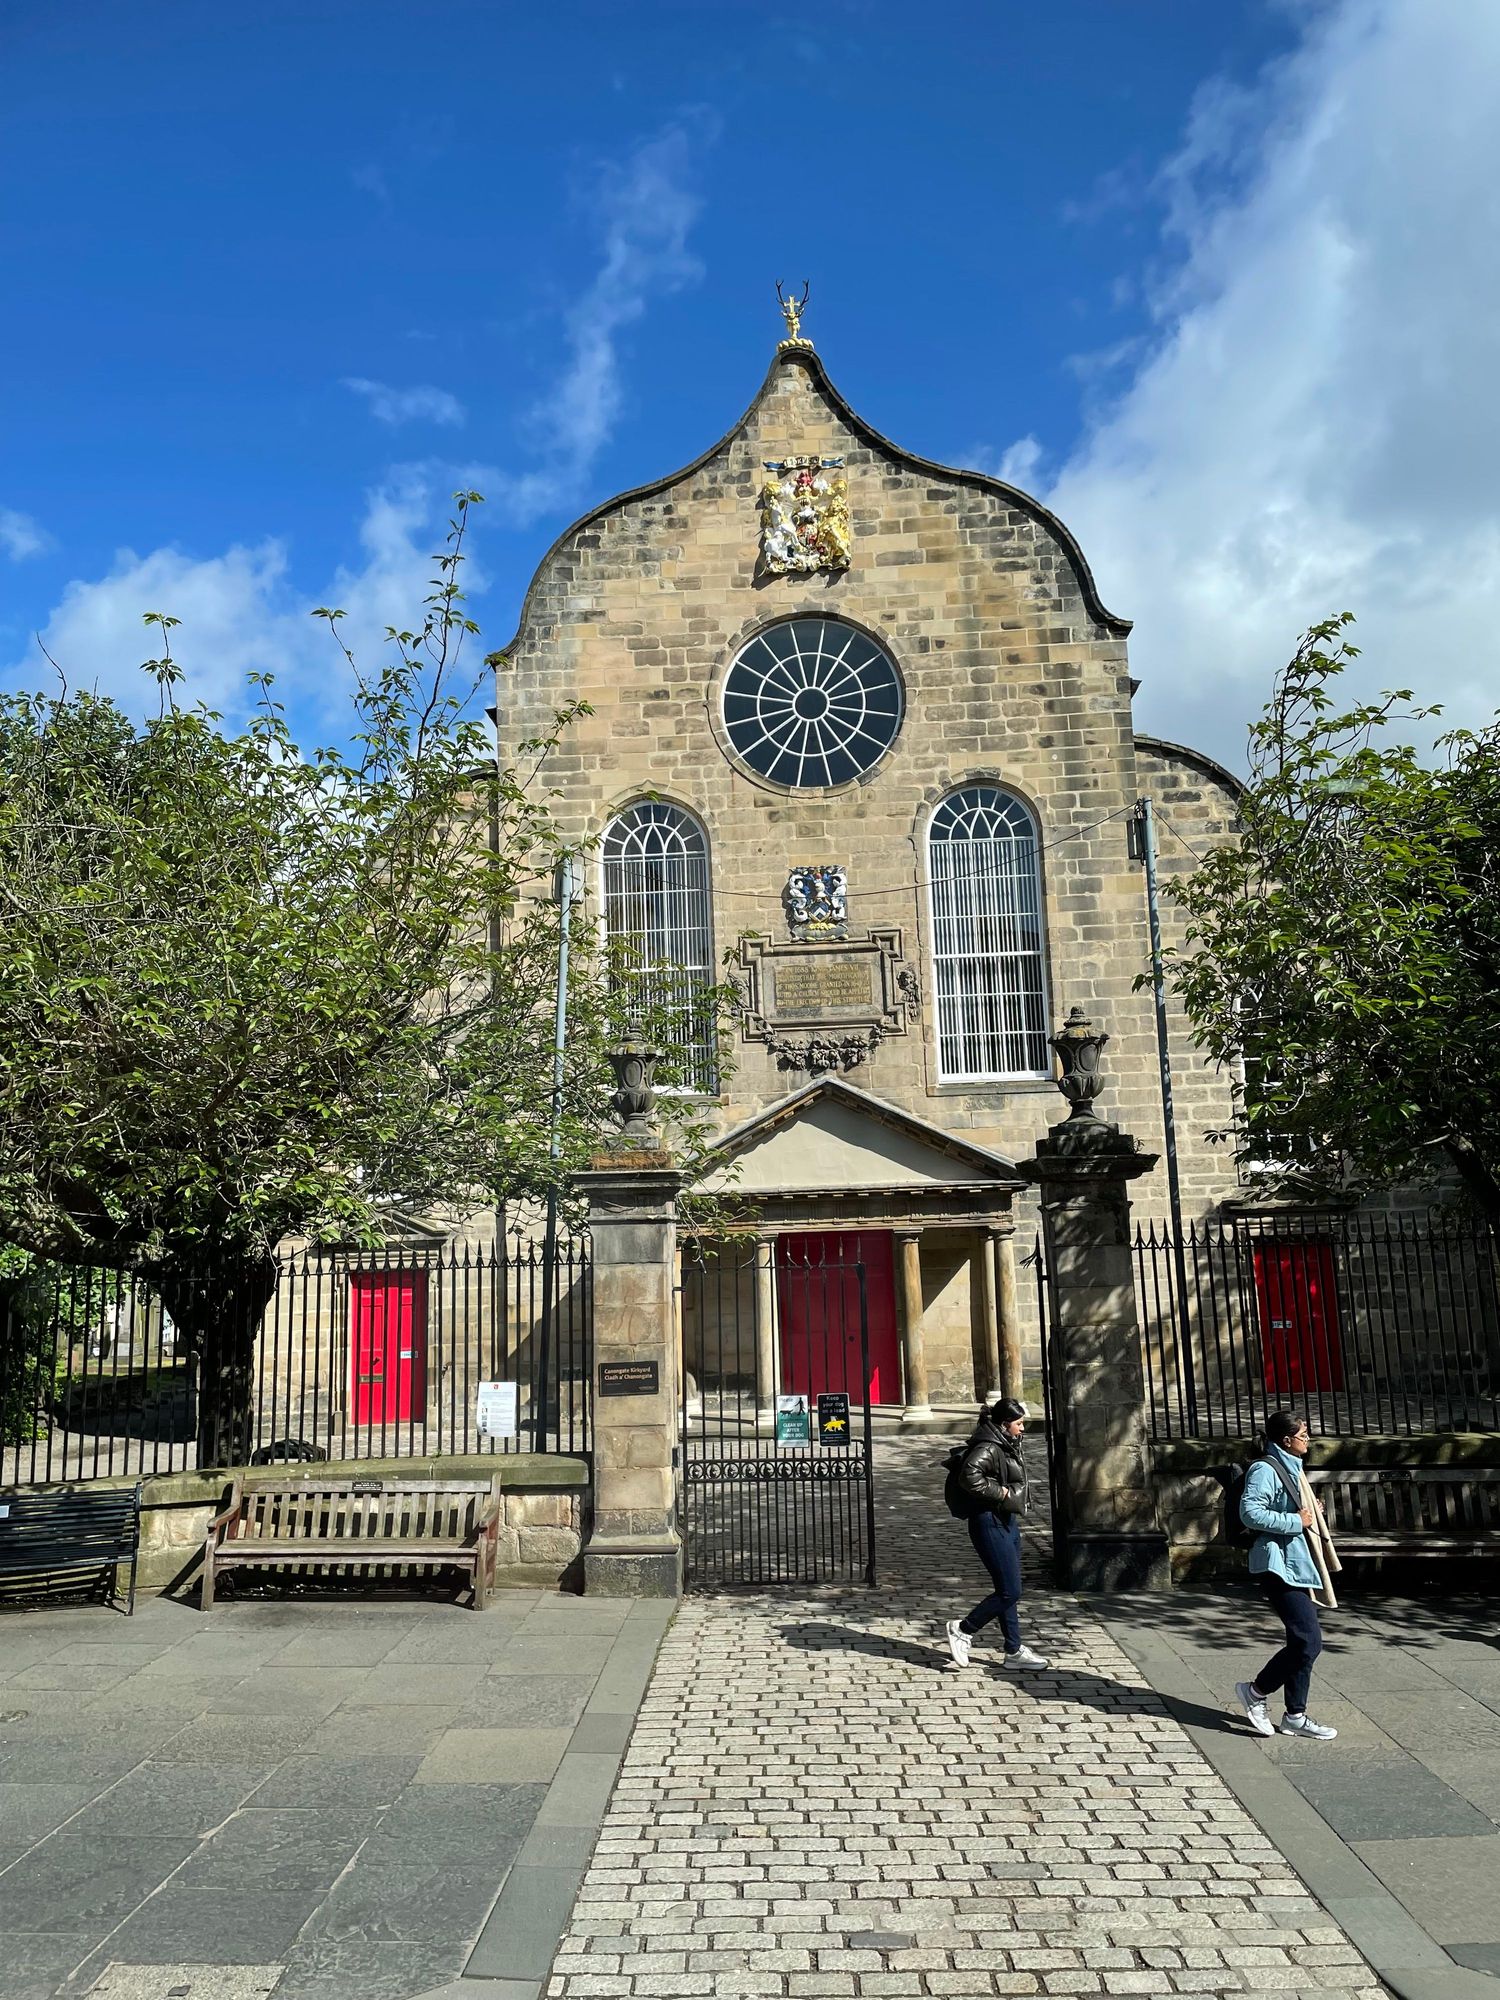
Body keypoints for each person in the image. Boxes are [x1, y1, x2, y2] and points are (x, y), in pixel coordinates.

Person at [1235, 1408, 1342, 1741]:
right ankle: (1255, 1692)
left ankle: (1295, 1715)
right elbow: (1250, 1513)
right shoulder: (1265, 1469)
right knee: (1308, 1641)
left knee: (1302, 1642)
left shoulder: (1291, 1465)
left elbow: (1288, 1505)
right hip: (1277, 1564)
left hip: (1295, 1563)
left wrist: (1309, 1511)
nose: (1307, 1441)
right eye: (1303, 1436)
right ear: (1285, 1440)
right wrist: (1297, 1521)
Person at [944, 1397, 1048, 1670]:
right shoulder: (989, 1446)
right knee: (1010, 1590)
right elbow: (969, 1476)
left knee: (1007, 1589)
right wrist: (999, 1493)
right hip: (989, 1522)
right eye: (1019, 1424)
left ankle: (1013, 1650)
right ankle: (963, 1629)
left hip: (1006, 1520)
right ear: (1004, 1424)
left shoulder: (1004, 1441)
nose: (1022, 1428)